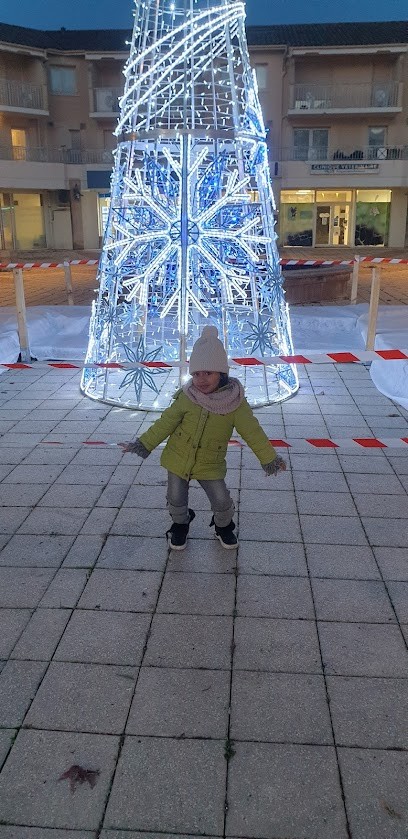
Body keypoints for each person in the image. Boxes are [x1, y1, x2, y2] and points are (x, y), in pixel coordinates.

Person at [119, 325, 286, 550]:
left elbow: (253, 432)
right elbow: (165, 423)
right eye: (196, 374)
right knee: (175, 497)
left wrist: (270, 459)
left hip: (210, 462)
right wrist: (142, 444)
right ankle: (180, 524)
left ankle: (223, 527)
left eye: (208, 373)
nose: (201, 379)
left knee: (221, 500)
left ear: (221, 373)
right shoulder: (187, 397)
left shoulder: (234, 403)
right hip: (178, 458)